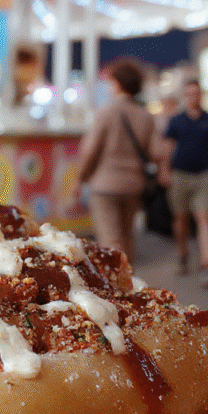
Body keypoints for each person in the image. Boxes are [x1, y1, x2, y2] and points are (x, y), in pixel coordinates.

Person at [72, 58, 160, 265]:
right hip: (134, 185)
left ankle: (116, 288)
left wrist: (79, 179)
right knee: (128, 236)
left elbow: (90, 151)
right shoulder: (145, 116)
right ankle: (129, 282)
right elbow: (157, 151)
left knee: (110, 239)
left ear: (117, 83)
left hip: (105, 185)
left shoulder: (106, 113)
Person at [159, 79, 208, 286]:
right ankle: (183, 253)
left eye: (196, 93)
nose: (192, 97)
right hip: (180, 175)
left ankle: (207, 265)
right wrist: (164, 170)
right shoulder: (177, 120)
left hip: (204, 175)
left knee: (204, 218)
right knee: (180, 219)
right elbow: (168, 147)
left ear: (200, 95)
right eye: (188, 93)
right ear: (184, 96)